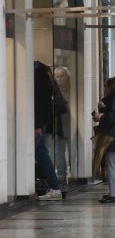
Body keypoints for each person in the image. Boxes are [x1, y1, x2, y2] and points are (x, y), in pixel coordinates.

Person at [34, 61, 63, 201]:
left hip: (38, 122)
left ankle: (55, 189)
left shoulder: (39, 75)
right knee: (42, 155)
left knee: (30, 153)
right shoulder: (44, 74)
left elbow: (39, 102)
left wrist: (38, 125)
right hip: (41, 121)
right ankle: (55, 188)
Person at [53, 67, 71, 182]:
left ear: (66, 77)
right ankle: (61, 176)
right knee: (59, 152)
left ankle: (73, 174)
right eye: (57, 77)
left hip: (71, 124)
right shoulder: (52, 90)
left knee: (73, 151)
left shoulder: (72, 89)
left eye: (61, 76)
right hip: (59, 125)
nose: (59, 79)